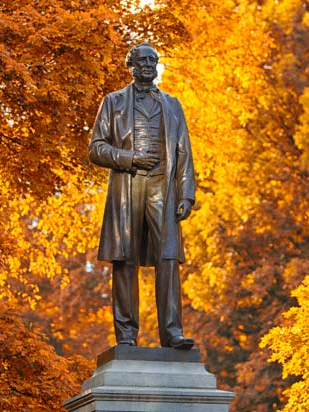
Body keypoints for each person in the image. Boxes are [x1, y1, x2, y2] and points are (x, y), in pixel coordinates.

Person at [89, 42, 195, 349]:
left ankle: (172, 332)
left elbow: (184, 150)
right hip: (128, 184)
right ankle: (126, 334)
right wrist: (130, 157)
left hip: (163, 185)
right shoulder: (113, 102)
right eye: (143, 60)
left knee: (168, 258)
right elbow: (95, 148)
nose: (149, 64)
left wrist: (186, 194)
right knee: (125, 259)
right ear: (131, 66)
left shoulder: (172, 105)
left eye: (154, 59)